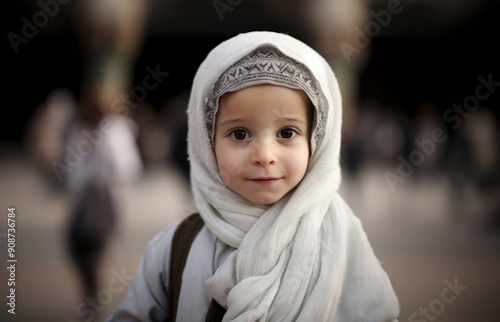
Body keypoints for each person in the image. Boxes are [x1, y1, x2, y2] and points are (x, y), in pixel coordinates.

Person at [107, 31, 400, 321]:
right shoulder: (174, 250)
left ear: (317, 140)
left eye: (287, 133)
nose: (264, 155)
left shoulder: (343, 241)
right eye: (239, 134)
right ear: (207, 142)